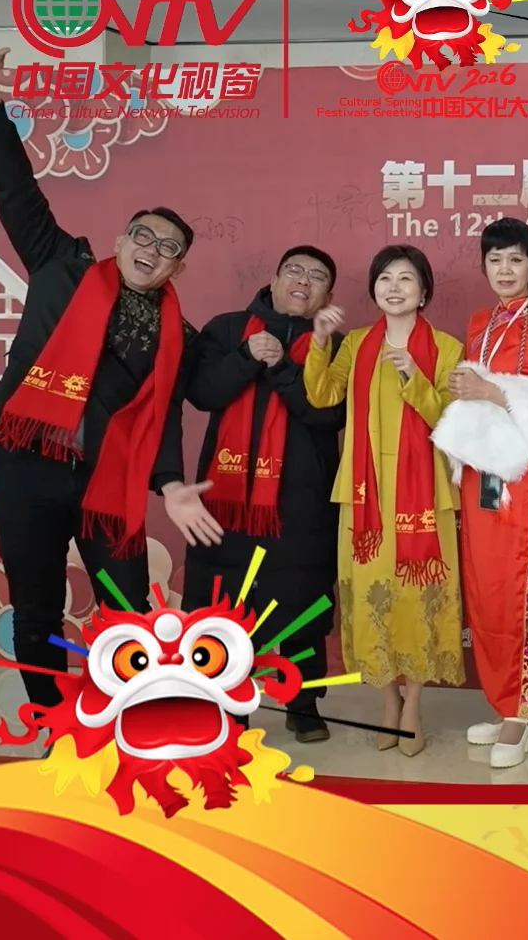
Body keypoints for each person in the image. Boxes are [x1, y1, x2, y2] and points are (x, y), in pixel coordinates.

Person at [0, 4, 216, 709]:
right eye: (143, 236)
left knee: (129, 613)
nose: (151, 250)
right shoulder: (60, 267)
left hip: (107, 481)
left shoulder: (177, 335)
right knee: (36, 607)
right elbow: (17, 187)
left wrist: (171, 484)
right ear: (121, 240)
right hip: (28, 466)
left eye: (168, 249)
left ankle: (129, 719)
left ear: (178, 268)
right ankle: (49, 721)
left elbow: (163, 418)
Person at [303, 246, 465, 756]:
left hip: (424, 494)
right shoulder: (355, 343)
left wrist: (413, 376)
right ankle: (387, 701)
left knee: (418, 597)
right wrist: (319, 341)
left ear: (424, 290)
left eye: (406, 279)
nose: (394, 288)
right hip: (364, 493)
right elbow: (323, 395)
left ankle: (413, 702)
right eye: (385, 279)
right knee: (372, 597)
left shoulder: (447, 348)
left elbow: (450, 420)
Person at [183, 246, 345, 744]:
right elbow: (201, 392)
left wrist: (281, 368)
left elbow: (329, 415)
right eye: (294, 270)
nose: (304, 281)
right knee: (222, 603)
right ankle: (228, 704)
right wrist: (246, 357)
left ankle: (303, 703)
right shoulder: (228, 328)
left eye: (317, 276)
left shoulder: (335, 345)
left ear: (327, 295)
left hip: (302, 502)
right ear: (273, 280)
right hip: (226, 500)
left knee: (303, 602)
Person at [430, 219, 528, 771]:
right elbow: (475, 399)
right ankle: (508, 702)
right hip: (482, 472)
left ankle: (521, 708)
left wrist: (490, 389)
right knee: (485, 591)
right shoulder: (479, 322)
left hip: (524, 477)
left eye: (515, 259)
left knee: (519, 589)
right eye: (495, 260)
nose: (505, 270)